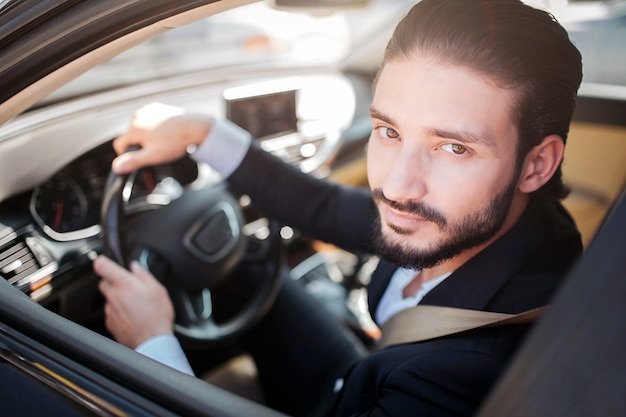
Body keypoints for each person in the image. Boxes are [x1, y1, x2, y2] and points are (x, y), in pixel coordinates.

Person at [94, 0, 584, 416]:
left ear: (537, 164)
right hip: (359, 376)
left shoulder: (473, 376)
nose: (395, 187)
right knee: (243, 268)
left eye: (453, 147)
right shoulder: (490, 220)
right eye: (389, 132)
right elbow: (326, 206)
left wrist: (152, 345)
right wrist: (202, 132)